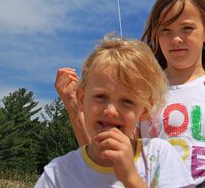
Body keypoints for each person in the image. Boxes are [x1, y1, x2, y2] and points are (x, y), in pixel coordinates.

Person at [56, 0, 205, 188]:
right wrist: (74, 107)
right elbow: (105, 159)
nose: (176, 38)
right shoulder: (141, 96)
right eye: (165, 30)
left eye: (187, 28)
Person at [40, 34, 194, 188]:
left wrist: (131, 178)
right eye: (100, 96)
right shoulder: (58, 173)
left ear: (145, 110)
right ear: (81, 100)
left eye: (127, 101)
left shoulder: (159, 155)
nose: (111, 111)